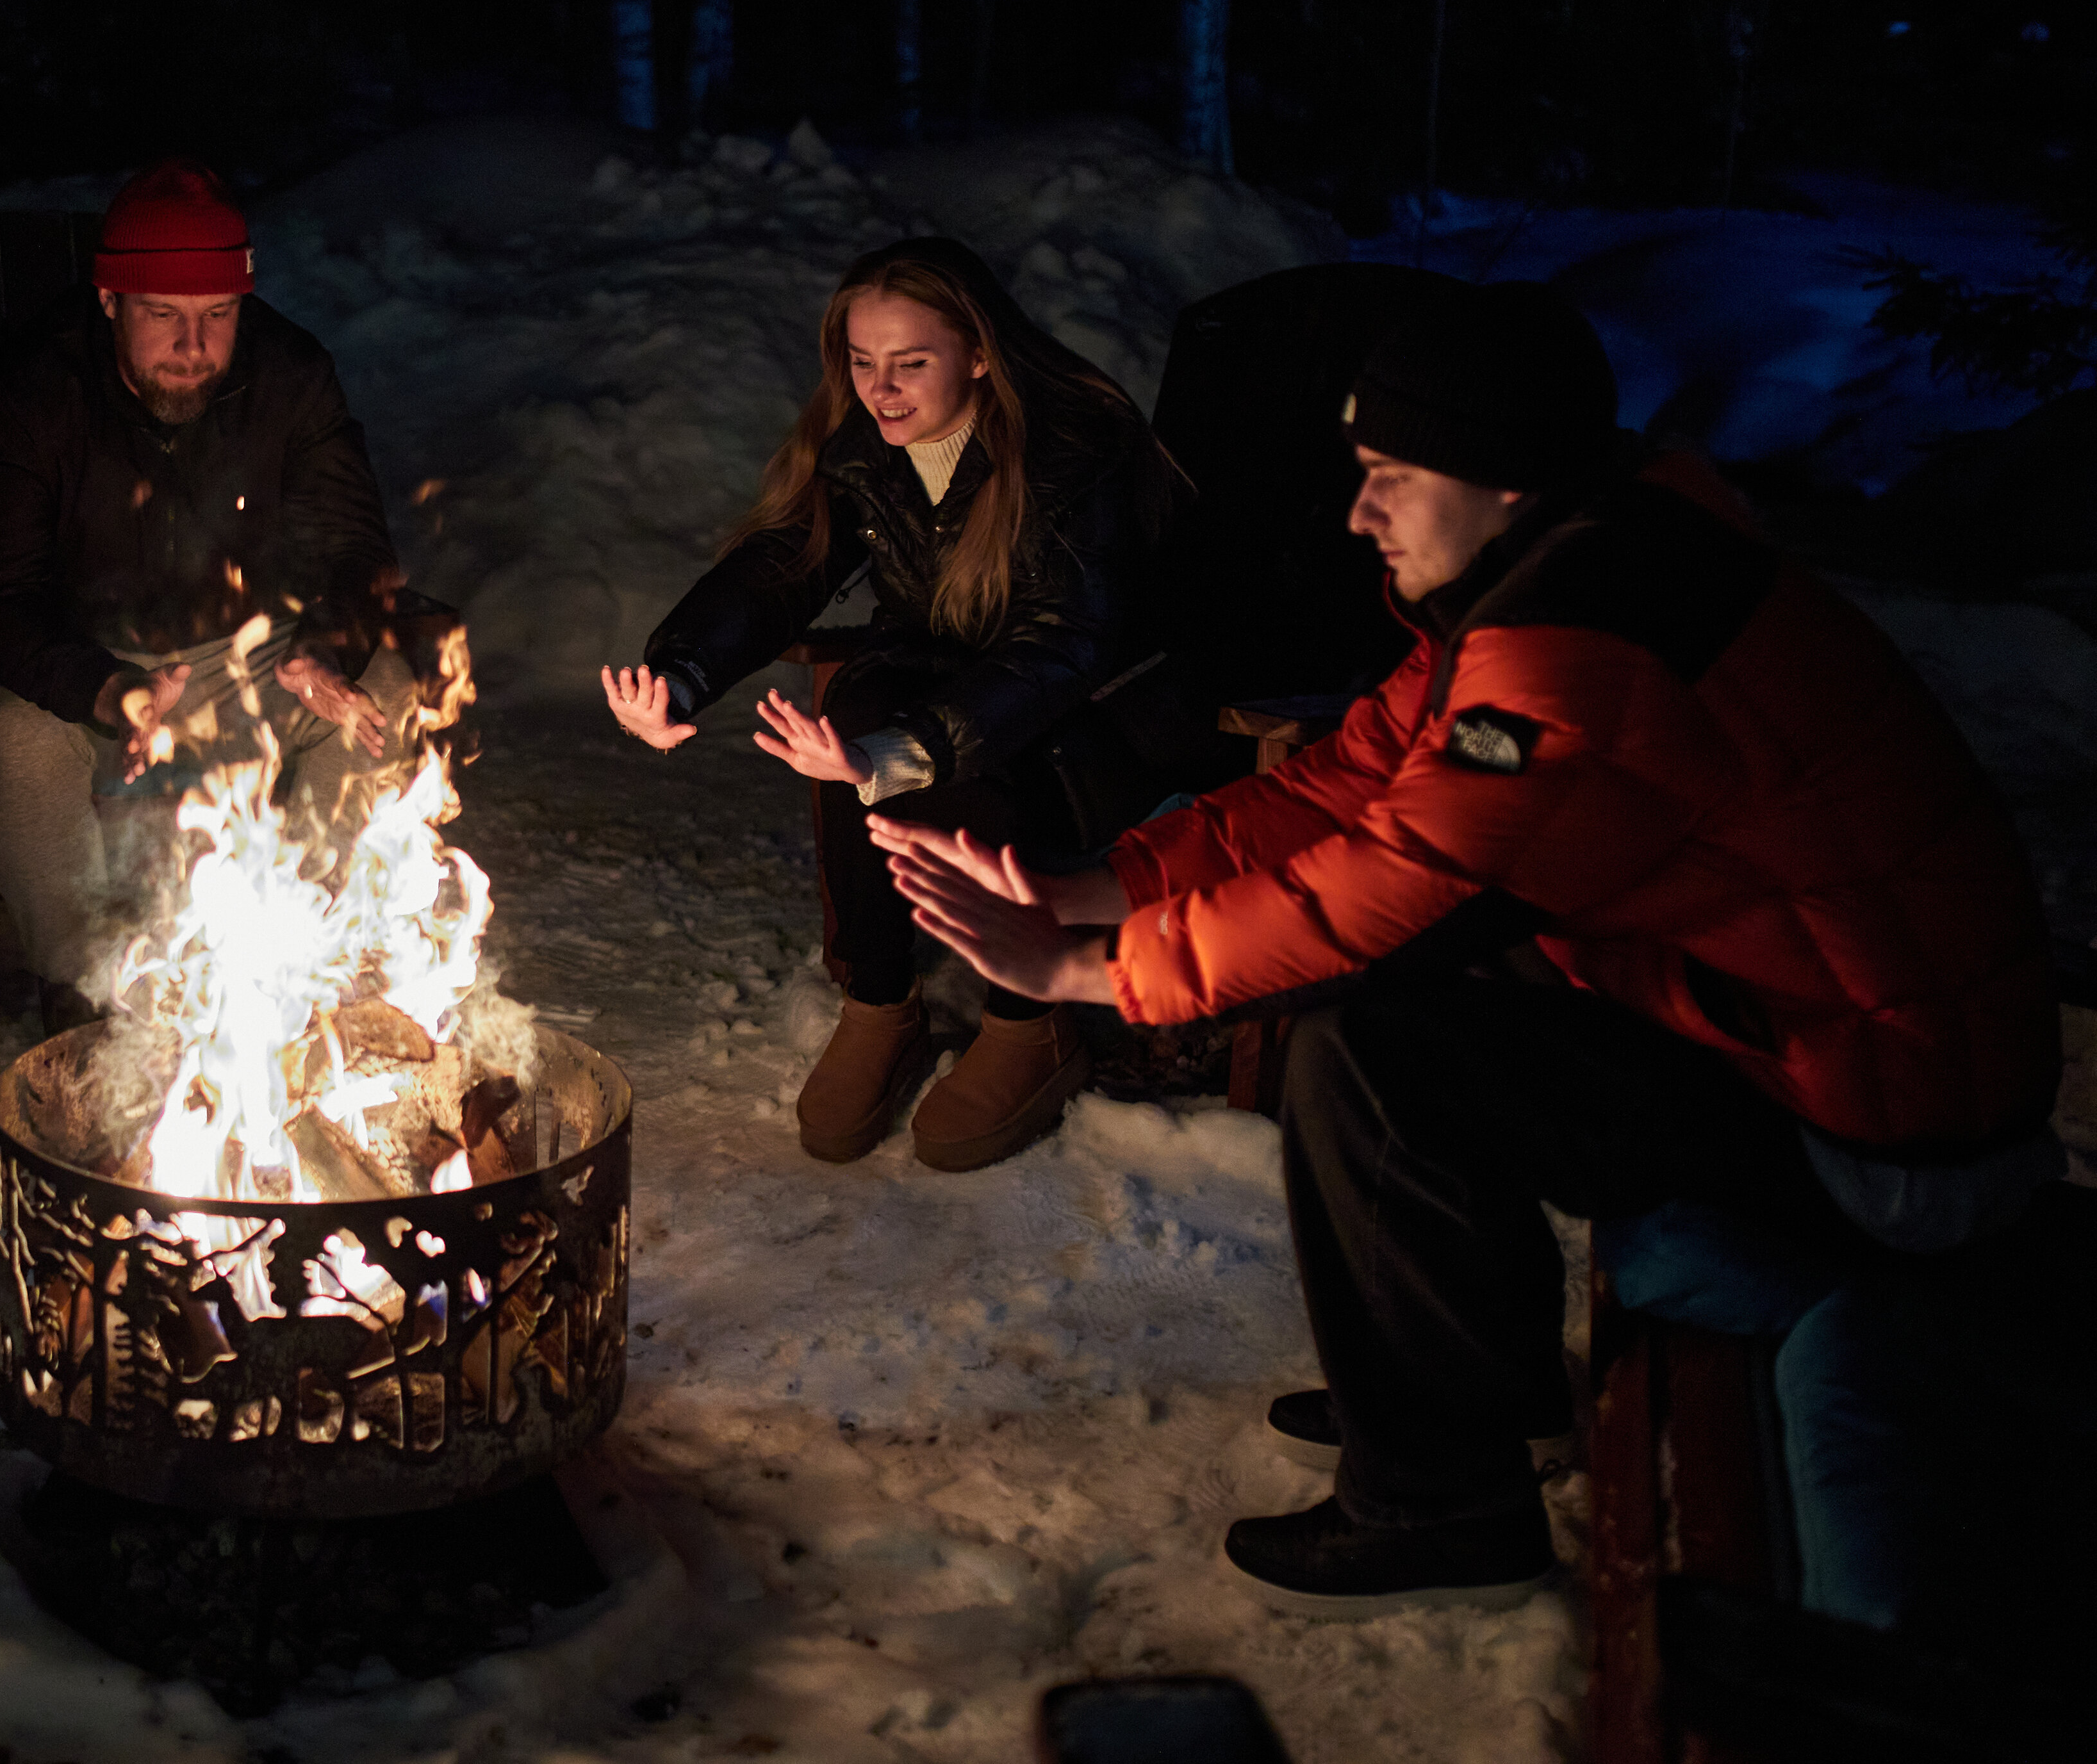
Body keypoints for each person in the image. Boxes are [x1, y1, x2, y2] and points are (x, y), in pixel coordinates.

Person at [876, 282, 2060, 1615]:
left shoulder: (1578, 646)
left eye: (1389, 475)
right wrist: (1095, 883)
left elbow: (1401, 882)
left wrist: (1094, 973)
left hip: (1882, 1139)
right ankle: (1475, 1400)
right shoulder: (1577, 561)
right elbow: (1344, 780)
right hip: (1811, 1050)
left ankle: (1443, 1498)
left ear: (1504, 481)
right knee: (1400, 1018)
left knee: (1379, 1038)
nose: (1356, 511)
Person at [600, 237, 1186, 1171]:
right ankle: (880, 1003)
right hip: (962, 685)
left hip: (1101, 714)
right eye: (864, 364)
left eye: (912, 364)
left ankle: (1028, 1020)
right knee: (859, 694)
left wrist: (896, 754)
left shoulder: (1076, 454)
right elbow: (784, 565)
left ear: (982, 354)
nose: (883, 390)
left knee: (963, 747)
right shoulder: (870, 450)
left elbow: (1062, 647)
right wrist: (681, 675)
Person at [0, 159, 416, 1022]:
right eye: (163, 316)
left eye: (218, 315)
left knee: (378, 694)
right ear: (110, 301)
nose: (194, 349)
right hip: (84, 667)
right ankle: (83, 997)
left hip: (252, 659)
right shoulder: (30, 394)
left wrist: (325, 652)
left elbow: (358, 548)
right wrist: (106, 688)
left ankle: (300, 964)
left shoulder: (291, 376)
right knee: (17, 742)